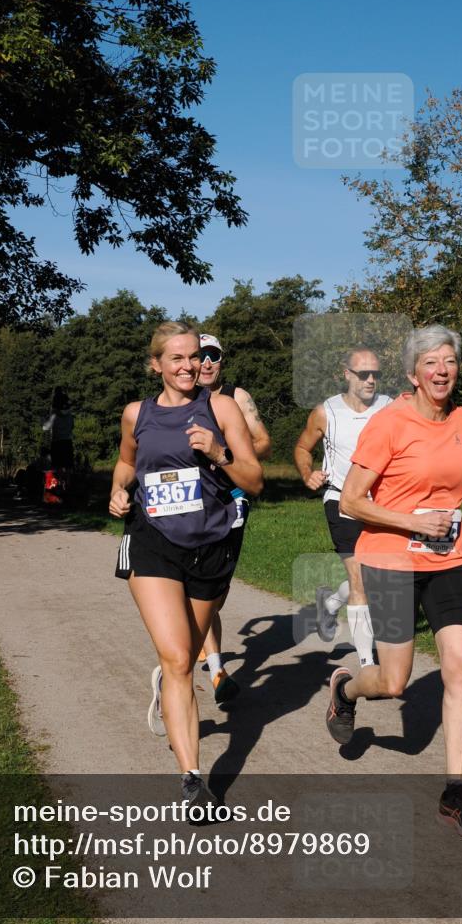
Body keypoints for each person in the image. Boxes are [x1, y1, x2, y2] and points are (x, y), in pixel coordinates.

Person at [325, 324, 462, 837]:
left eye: (449, 362)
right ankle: (346, 689)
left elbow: (451, 480)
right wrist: (413, 521)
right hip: (391, 560)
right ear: (413, 374)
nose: (442, 371)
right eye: (431, 363)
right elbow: (351, 501)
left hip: (448, 557)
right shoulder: (389, 424)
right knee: (393, 683)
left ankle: (456, 793)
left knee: (461, 667)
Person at [110, 322, 263, 813]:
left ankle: (168, 686)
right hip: (152, 539)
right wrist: (119, 488)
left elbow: (254, 480)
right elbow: (127, 463)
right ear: (156, 364)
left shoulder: (220, 408)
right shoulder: (138, 413)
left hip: (210, 543)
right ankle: (193, 780)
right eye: (176, 358)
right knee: (179, 660)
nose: (189, 366)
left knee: (187, 651)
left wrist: (218, 453)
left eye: (194, 357)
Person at [294, 346, 392, 668]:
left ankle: (331, 602)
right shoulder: (326, 412)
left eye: (375, 374)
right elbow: (302, 447)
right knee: (361, 580)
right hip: (341, 500)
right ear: (346, 374)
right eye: (363, 373)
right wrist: (308, 473)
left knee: (371, 577)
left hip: (382, 504)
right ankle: (367, 663)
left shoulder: (391, 408)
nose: (370, 380)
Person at [195, 332, 272, 703]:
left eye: (213, 355)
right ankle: (217, 671)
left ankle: (200, 637)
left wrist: (225, 453)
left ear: (222, 360)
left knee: (217, 595)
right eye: (199, 356)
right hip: (194, 502)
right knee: (198, 585)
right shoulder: (180, 399)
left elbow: (263, 442)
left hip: (233, 498)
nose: (206, 362)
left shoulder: (237, 398)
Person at [43, 387, 74, 500]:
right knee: (68, 468)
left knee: (57, 467)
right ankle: (68, 490)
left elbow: (45, 427)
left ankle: (59, 490)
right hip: (67, 441)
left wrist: (44, 419)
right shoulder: (70, 415)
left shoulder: (54, 415)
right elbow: (72, 427)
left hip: (57, 442)